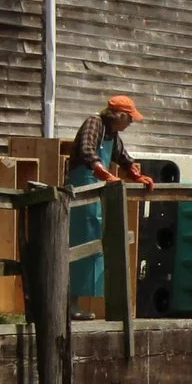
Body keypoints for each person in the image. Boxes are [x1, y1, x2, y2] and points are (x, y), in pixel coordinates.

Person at [67, 95, 153, 312]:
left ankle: (79, 303)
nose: (131, 123)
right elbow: (87, 152)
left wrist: (136, 175)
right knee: (83, 239)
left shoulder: (112, 133)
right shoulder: (94, 123)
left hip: (98, 187)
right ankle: (70, 302)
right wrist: (104, 173)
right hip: (83, 187)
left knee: (98, 239)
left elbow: (122, 157)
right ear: (120, 115)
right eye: (130, 118)